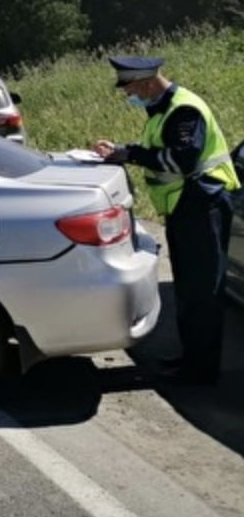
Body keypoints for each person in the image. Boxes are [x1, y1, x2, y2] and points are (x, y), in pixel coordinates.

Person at [93, 55, 238, 386]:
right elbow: (157, 149)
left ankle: (201, 372)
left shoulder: (184, 110)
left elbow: (181, 159)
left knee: (202, 294)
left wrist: (130, 155)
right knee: (188, 291)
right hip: (185, 207)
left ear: (145, 83)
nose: (129, 95)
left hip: (203, 206)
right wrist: (122, 150)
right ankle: (191, 360)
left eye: (130, 88)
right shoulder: (164, 109)